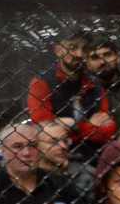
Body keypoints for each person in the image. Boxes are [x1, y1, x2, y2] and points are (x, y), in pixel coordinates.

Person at [27, 30, 115, 159]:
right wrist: (89, 127)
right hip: (55, 157)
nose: (79, 54)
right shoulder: (41, 83)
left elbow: (108, 131)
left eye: (84, 48)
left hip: (93, 157)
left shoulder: (95, 84)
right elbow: (43, 130)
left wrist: (71, 125)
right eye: (72, 47)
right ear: (58, 50)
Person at [85, 36, 120, 136]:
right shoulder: (82, 92)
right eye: (95, 58)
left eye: (107, 55)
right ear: (87, 63)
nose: (102, 61)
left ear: (118, 58)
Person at [36, 118, 94, 195]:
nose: (63, 146)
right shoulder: (29, 178)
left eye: (65, 141)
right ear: (36, 145)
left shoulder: (86, 174)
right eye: (54, 142)